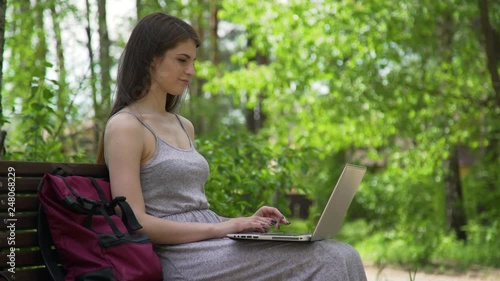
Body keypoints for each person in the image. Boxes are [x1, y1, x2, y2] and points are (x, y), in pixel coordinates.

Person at [96, 12, 367, 281]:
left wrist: (246, 222)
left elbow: (194, 210)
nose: (191, 71)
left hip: (214, 245)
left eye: (193, 61)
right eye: (182, 60)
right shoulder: (126, 126)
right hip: (181, 257)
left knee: (343, 253)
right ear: (151, 59)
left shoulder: (183, 125)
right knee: (330, 258)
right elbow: (136, 222)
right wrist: (225, 228)